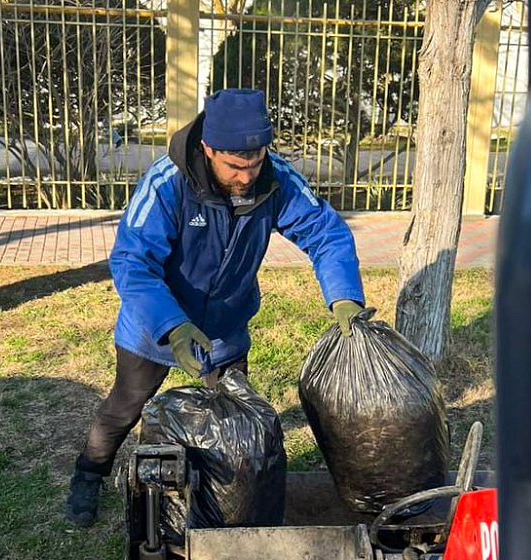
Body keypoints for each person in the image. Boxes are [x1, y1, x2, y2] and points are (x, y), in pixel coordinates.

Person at [65, 89, 365, 526]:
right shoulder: (167, 182)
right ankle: (87, 475)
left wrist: (344, 297)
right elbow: (133, 261)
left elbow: (326, 233)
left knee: (232, 420)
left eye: (255, 163)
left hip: (224, 329)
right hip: (153, 325)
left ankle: (221, 494)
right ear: (208, 148)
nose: (246, 177)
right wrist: (173, 327)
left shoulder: (275, 178)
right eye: (235, 167)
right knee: (123, 408)